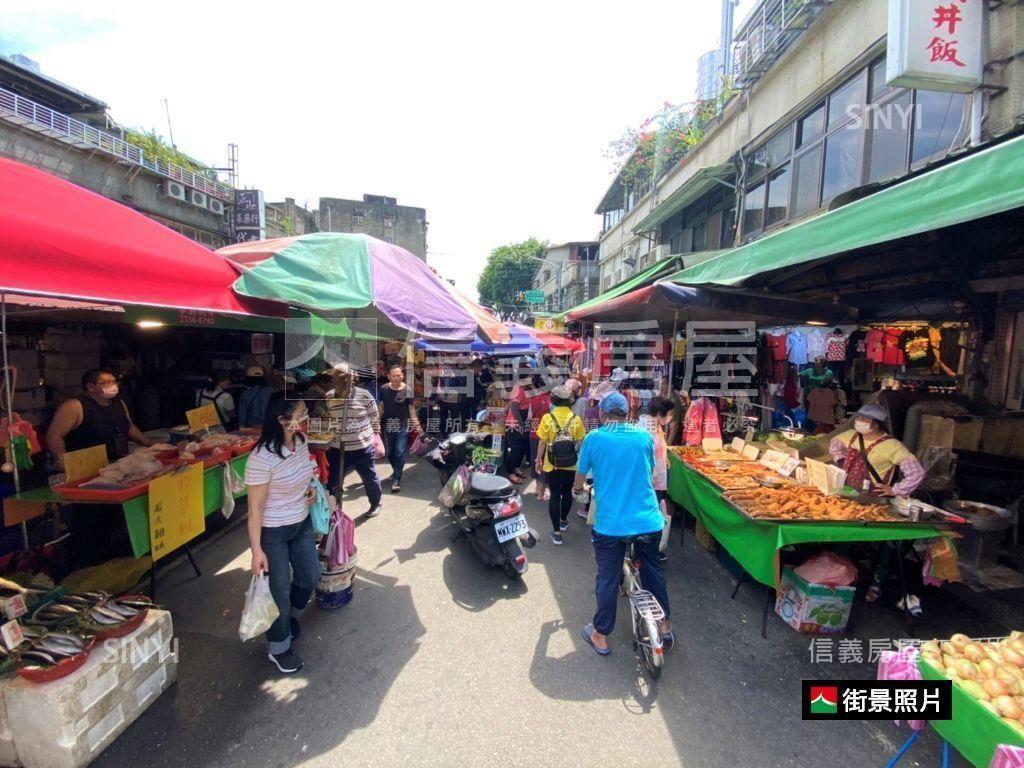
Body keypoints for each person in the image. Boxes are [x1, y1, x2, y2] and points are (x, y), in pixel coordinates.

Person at [573, 392, 673, 656]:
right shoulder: (643, 437)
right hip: (648, 521)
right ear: (627, 414)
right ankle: (664, 626)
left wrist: (579, 490)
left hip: (611, 526)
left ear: (603, 415)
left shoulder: (594, 438)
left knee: (607, 577)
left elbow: (579, 479)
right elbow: (649, 471)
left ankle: (600, 634)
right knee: (653, 571)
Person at [244, 394, 320, 675]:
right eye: (301, 412)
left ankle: (290, 619)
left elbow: (308, 472)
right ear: (282, 420)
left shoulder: (300, 442)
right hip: (272, 532)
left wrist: (312, 487)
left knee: (310, 576)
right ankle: (279, 647)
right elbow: (255, 509)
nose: (306, 415)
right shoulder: (261, 458)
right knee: (279, 593)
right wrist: (256, 551)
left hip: (301, 524)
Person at [47, 369, 155, 567]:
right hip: (86, 473)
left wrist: (148, 444)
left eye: (114, 381)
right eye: (106, 382)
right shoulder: (75, 406)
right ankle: (86, 562)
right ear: (90, 387)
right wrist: (62, 461)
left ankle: (114, 555)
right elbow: (54, 435)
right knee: (91, 521)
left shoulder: (118, 403)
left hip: (116, 468)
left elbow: (129, 427)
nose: (113, 385)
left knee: (113, 517)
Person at [322, 362, 384, 517]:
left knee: (369, 478)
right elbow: (331, 417)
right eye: (338, 377)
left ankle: (375, 503)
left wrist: (374, 436)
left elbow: (374, 417)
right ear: (333, 379)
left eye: (346, 377)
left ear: (352, 378)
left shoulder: (364, 395)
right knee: (333, 482)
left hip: (362, 447)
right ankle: (333, 512)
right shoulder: (329, 396)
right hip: (338, 447)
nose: (342, 380)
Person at [828, 404, 925, 497]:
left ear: (876, 424)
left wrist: (896, 490)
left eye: (864, 419)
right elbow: (835, 444)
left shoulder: (892, 446)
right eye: (858, 418)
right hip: (847, 490)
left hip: (870, 498)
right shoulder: (850, 435)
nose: (858, 421)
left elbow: (916, 472)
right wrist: (841, 461)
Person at [534, 385, 586, 546]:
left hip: (552, 465)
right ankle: (563, 521)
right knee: (567, 493)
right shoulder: (576, 419)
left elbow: (542, 442)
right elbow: (581, 441)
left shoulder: (548, 418)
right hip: (571, 465)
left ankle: (556, 532)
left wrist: (538, 460)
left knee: (555, 495)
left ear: (553, 401)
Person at [638, 396, 674, 561]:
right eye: (668, 414)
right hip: (650, 480)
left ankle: (650, 546)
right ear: (659, 413)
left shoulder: (656, 425)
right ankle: (648, 549)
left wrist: (664, 458)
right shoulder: (646, 428)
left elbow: (658, 448)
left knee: (653, 512)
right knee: (650, 513)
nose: (670, 418)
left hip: (657, 477)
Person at [379, 363, 419, 493]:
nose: (397, 377)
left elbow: (411, 409)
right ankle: (396, 470)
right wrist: (376, 421)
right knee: (390, 453)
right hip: (389, 424)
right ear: (389, 376)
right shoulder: (384, 389)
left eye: (399, 375)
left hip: (403, 424)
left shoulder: (407, 390)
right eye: (394, 375)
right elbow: (381, 406)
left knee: (399, 452)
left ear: (402, 376)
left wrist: (416, 424)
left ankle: (397, 479)